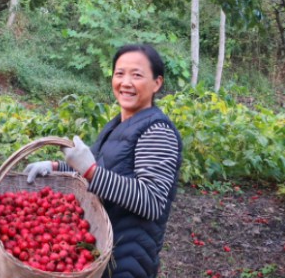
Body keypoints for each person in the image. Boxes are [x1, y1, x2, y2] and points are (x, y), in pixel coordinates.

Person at [25, 44, 183, 278]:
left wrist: (90, 170)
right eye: (119, 74)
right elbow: (103, 169)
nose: (126, 82)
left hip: (128, 261)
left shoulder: (157, 131)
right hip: (100, 252)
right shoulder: (118, 125)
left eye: (137, 75)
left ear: (156, 83)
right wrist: (55, 167)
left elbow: (151, 201)